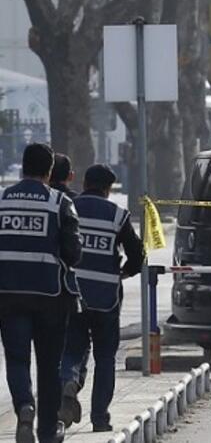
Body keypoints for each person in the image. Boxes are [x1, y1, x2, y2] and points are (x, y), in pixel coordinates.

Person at [0, 143, 82, 443]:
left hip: (8, 295)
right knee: (49, 367)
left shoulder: (2, 201)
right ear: (49, 172)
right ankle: (47, 432)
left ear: (23, 167)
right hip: (50, 298)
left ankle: (24, 406)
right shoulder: (59, 202)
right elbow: (74, 253)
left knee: (17, 360)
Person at [58, 165, 144, 432]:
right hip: (106, 297)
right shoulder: (117, 215)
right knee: (105, 358)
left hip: (73, 293)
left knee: (72, 349)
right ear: (108, 189)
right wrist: (123, 273)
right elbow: (137, 255)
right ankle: (100, 419)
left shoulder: (68, 206)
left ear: (84, 183)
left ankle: (68, 381)